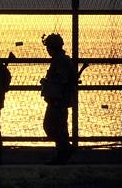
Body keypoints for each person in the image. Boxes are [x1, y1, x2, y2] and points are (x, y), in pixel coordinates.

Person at [40, 33, 75, 165]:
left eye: (48, 47)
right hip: (57, 99)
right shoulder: (59, 59)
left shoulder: (60, 61)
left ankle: (64, 152)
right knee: (57, 127)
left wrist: (47, 82)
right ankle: (64, 150)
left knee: (53, 127)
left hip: (58, 100)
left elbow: (61, 80)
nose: (47, 50)